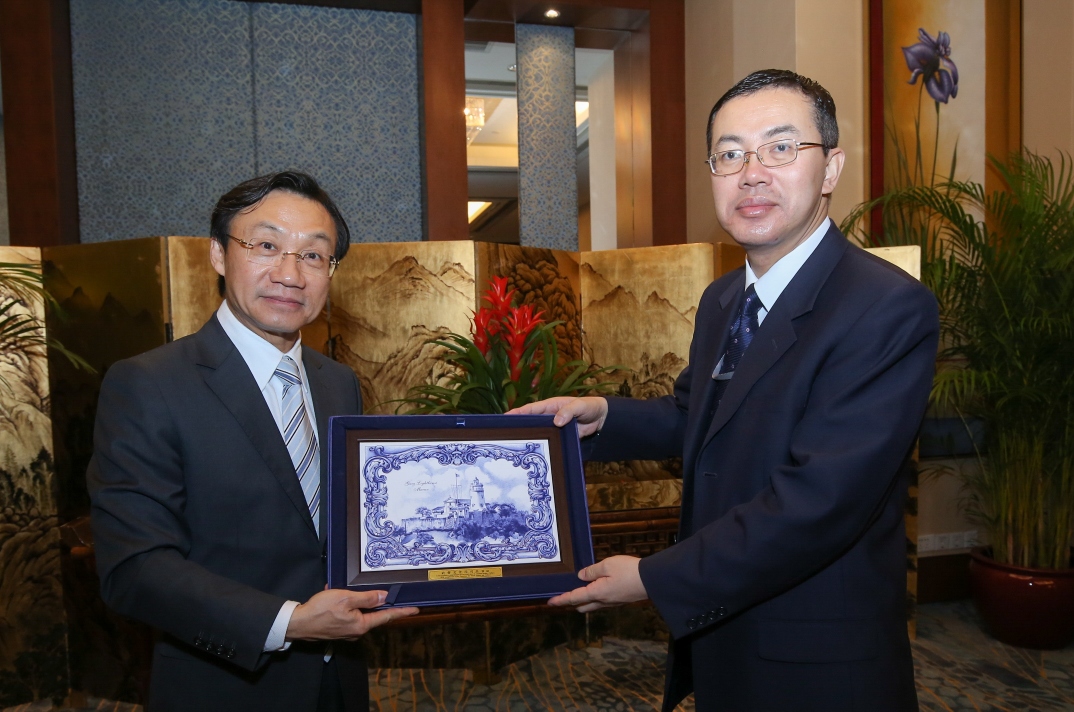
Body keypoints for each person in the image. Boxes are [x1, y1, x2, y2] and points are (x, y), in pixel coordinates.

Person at [513, 70, 939, 711]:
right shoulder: (723, 299)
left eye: (781, 148)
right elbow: (700, 414)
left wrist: (654, 578)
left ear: (831, 169)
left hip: (816, 655)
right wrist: (602, 417)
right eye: (730, 154)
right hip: (727, 629)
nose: (752, 172)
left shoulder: (885, 307)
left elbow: (818, 504)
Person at [87, 171, 418, 712]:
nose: (290, 274)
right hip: (227, 685)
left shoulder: (338, 382)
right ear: (218, 254)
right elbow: (135, 568)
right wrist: (288, 622)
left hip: (342, 680)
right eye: (266, 246)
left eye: (314, 256)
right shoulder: (148, 384)